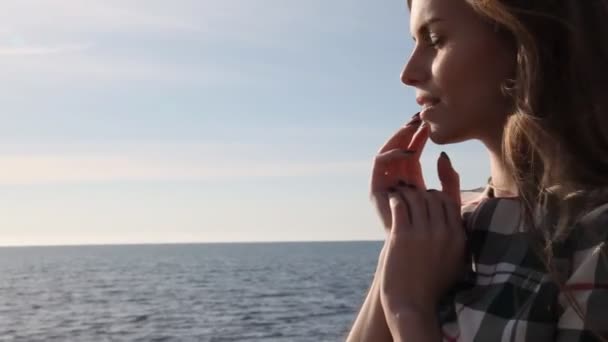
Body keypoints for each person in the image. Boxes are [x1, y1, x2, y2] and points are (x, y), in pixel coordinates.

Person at [346, 0, 608, 341]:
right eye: (414, 43)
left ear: (525, 43)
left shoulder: (594, 238)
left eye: (436, 40)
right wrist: (399, 243)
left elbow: (407, 306)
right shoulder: (451, 224)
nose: (408, 73)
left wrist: (409, 310)